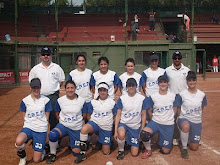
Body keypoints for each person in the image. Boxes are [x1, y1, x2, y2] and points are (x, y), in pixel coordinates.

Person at [74, 82, 117, 164]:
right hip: (95, 123)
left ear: (107, 91)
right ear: (98, 91)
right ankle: (82, 153)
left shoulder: (112, 102)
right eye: (101, 90)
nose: (102, 92)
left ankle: (107, 140)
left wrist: (110, 125)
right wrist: (93, 125)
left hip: (106, 127)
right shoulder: (93, 102)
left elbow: (115, 116)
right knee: (84, 129)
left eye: (104, 90)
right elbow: (89, 115)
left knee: (106, 152)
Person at [46, 80, 87, 163]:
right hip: (63, 126)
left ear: (75, 89)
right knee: (52, 134)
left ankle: (71, 143)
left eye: (72, 88)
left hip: (76, 128)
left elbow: (84, 115)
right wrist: (62, 121)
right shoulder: (60, 100)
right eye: (68, 88)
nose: (70, 90)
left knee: (76, 152)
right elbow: (57, 113)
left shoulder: (81, 100)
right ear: (65, 89)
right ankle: (53, 154)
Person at [15, 78, 52, 165]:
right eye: (34, 88)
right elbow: (24, 116)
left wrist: (42, 128)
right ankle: (23, 157)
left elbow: (46, 117)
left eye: (37, 88)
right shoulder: (25, 101)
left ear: (40, 88)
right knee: (19, 141)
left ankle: (43, 149)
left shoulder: (46, 101)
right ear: (30, 88)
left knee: (37, 160)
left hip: (40, 129)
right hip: (29, 127)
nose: (36, 90)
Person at [140, 75, 178, 158]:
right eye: (161, 82)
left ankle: (160, 139)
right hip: (156, 122)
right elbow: (149, 111)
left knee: (165, 151)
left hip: (168, 125)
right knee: (144, 134)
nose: (163, 84)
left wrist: (169, 118)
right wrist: (153, 121)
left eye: (165, 82)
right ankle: (148, 149)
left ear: (168, 83)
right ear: (158, 84)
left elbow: (175, 109)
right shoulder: (153, 96)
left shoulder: (173, 95)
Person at [29, 47, 65, 132]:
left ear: (51, 55)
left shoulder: (56, 67)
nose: (46, 56)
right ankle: (39, 139)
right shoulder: (35, 69)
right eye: (43, 54)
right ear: (40, 56)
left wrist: (52, 89)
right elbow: (31, 83)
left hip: (53, 97)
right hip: (39, 97)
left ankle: (54, 141)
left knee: (53, 118)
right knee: (39, 118)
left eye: (48, 54)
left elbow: (61, 81)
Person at [176, 71, 207, 159]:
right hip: (184, 119)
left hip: (196, 121)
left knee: (194, 148)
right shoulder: (181, 94)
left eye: (193, 80)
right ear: (187, 82)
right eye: (189, 80)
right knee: (186, 126)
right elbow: (178, 109)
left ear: (196, 81)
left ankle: (187, 137)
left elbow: (202, 108)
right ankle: (184, 148)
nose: (192, 82)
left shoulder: (202, 94)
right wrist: (179, 119)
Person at [114, 78, 145, 160]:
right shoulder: (122, 98)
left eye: (133, 85)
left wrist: (141, 130)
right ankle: (121, 150)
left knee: (134, 154)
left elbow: (144, 115)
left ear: (136, 86)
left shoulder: (141, 98)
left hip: (135, 126)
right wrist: (115, 130)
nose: (131, 87)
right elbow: (118, 114)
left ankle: (132, 142)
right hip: (124, 124)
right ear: (126, 87)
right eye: (129, 86)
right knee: (121, 134)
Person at [165, 51, 190, 146]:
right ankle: (175, 137)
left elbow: (189, 83)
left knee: (184, 117)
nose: (177, 60)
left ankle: (185, 136)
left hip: (184, 97)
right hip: (172, 98)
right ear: (172, 59)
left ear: (181, 59)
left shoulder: (186, 70)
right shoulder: (167, 70)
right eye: (175, 58)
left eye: (179, 58)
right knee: (173, 117)